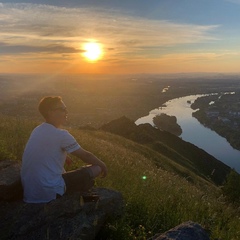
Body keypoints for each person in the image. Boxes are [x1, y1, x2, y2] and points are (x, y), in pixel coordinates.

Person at [21, 96, 107, 203]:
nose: (66, 112)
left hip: (31, 192)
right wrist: (102, 164)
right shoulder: (61, 135)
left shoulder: (37, 130)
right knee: (96, 168)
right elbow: (86, 156)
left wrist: (64, 155)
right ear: (50, 112)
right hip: (49, 192)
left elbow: (45, 151)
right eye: (62, 109)